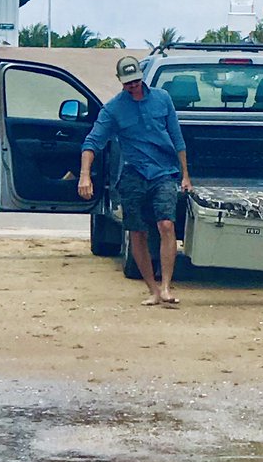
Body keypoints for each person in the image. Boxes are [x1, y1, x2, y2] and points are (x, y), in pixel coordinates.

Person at [77, 55, 192, 307]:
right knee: (137, 231)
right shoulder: (113, 109)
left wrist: (185, 175)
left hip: (163, 171)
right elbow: (92, 142)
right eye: (129, 82)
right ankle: (151, 289)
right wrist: (85, 174)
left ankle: (166, 286)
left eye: (137, 81)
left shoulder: (162, 99)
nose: (134, 86)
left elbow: (177, 138)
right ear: (120, 81)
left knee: (166, 224)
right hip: (134, 172)